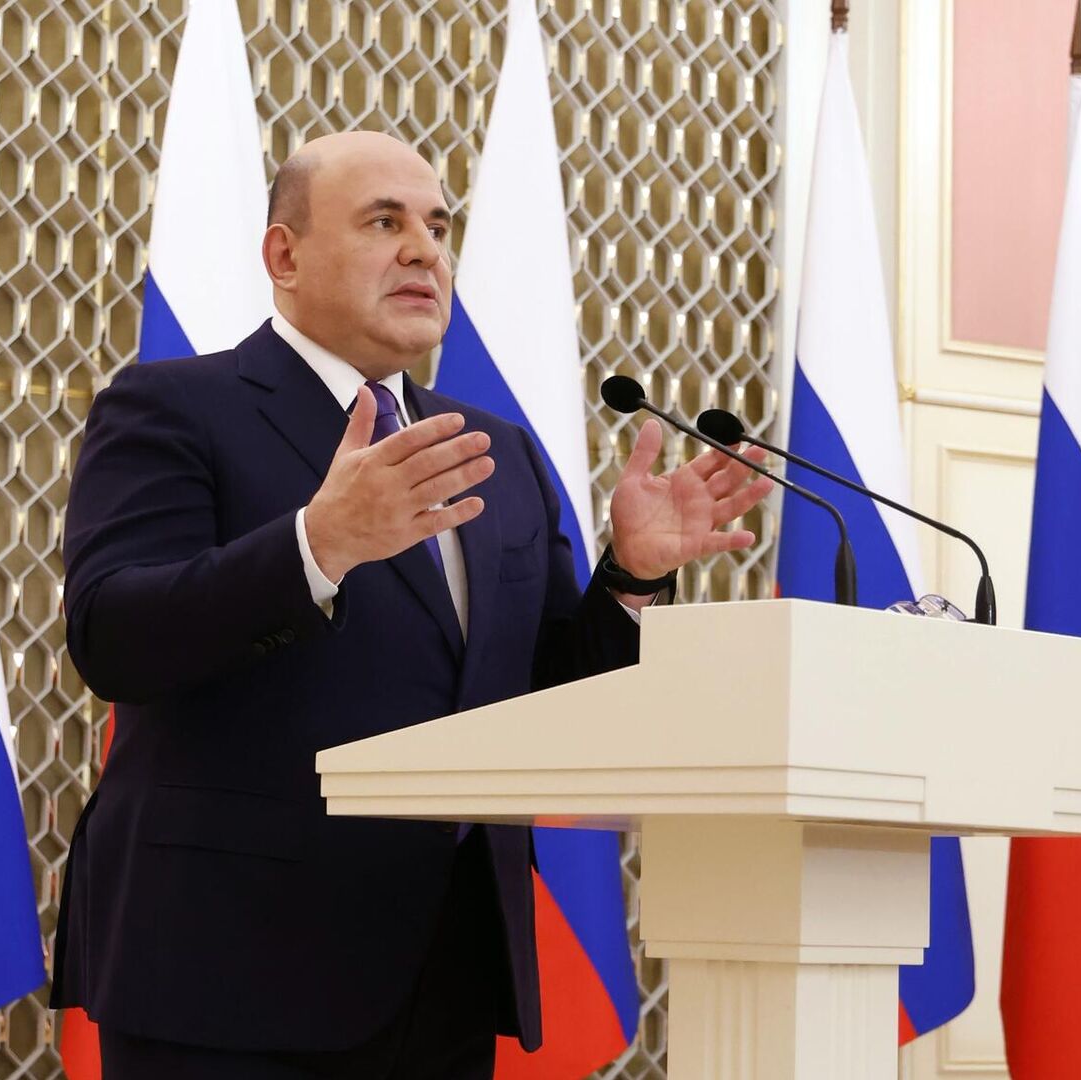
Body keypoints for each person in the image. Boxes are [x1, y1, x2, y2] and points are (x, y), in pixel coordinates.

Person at [50, 129, 770, 1079]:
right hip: (229, 967)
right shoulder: (174, 407)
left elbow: (546, 691)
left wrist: (631, 576)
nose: (425, 250)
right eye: (384, 223)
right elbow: (114, 636)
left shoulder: (493, 449)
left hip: (449, 970)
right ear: (284, 256)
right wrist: (317, 545)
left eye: (437, 226)